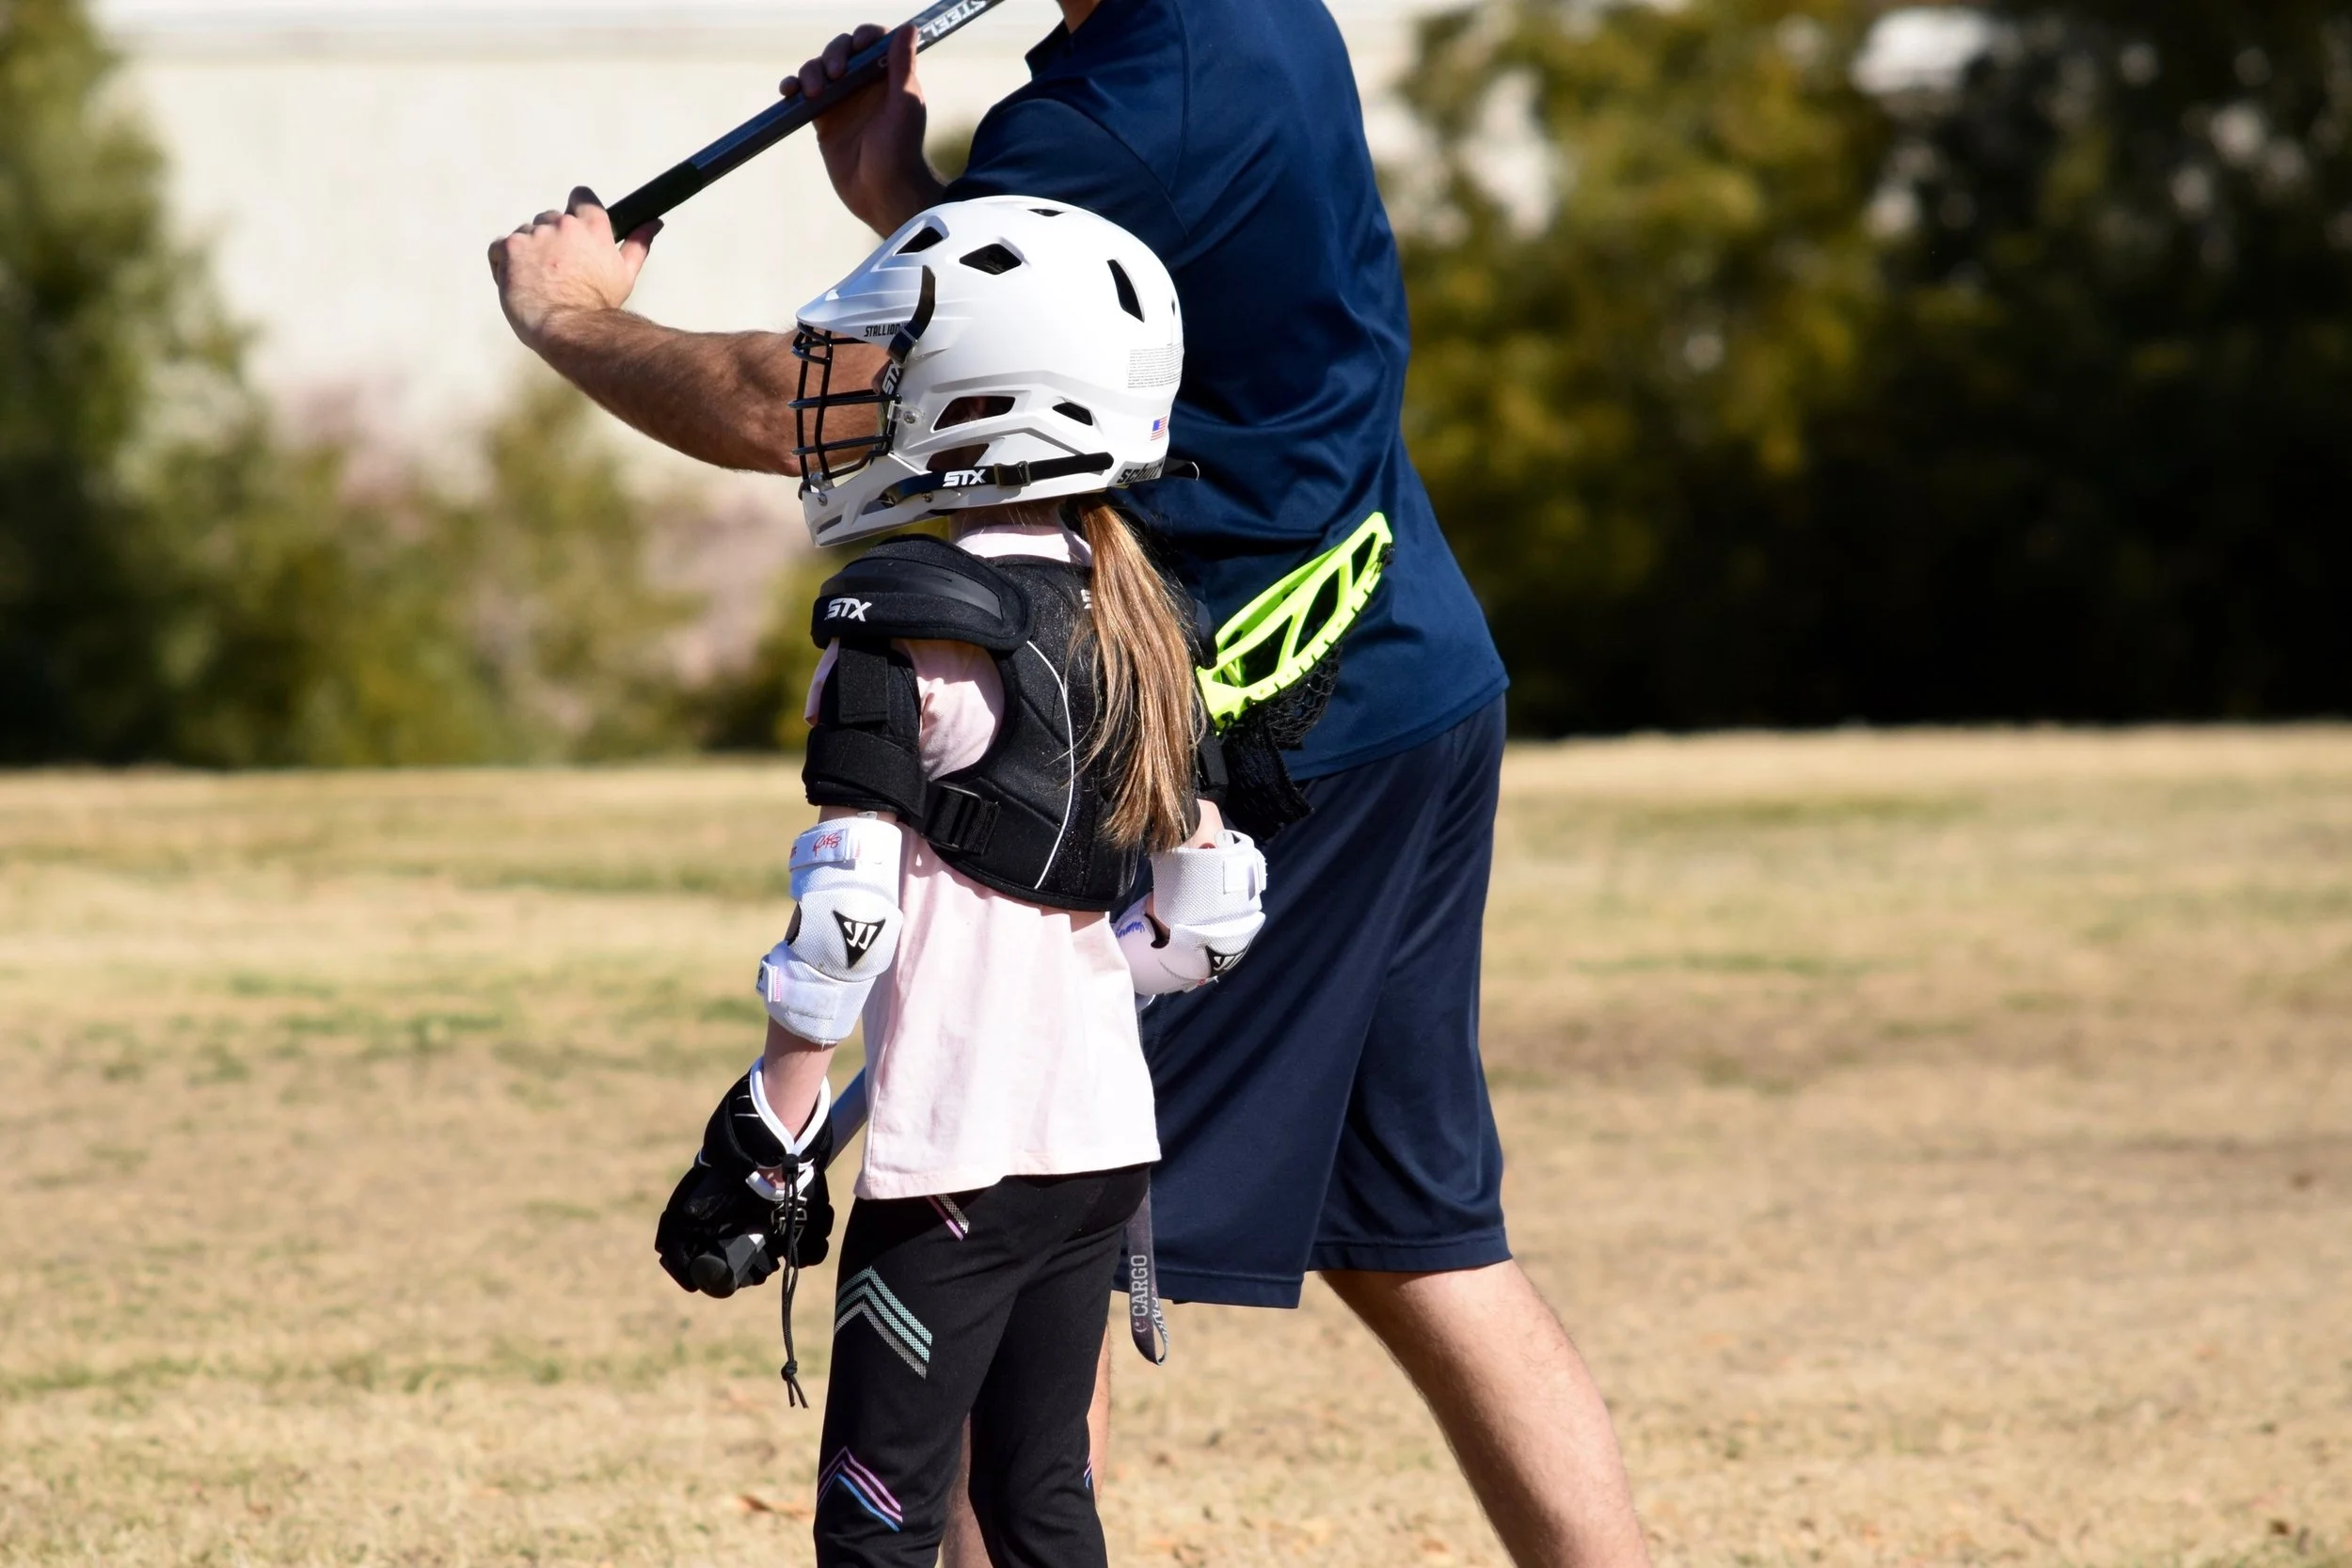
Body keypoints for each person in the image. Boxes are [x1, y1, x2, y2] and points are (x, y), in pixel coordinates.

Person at [486, 2, 1651, 1562]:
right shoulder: (1248, 26)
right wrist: (913, 197)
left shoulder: (1110, 122)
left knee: (1022, 1217)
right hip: (1410, 671)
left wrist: (569, 317)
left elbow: (809, 406)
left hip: (1253, 746)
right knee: (1417, 1233)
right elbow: (1105, 304)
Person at [644, 196, 1268, 1566]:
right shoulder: (1139, 612)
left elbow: (845, 921)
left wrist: (768, 1131)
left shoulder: (905, 630)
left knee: (880, 1526)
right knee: (1041, 1503)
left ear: (985, 399)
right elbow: (1207, 917)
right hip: (1100, 1147)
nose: (865, 400)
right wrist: (1064, 972)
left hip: (955, 1171)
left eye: (898, 371)